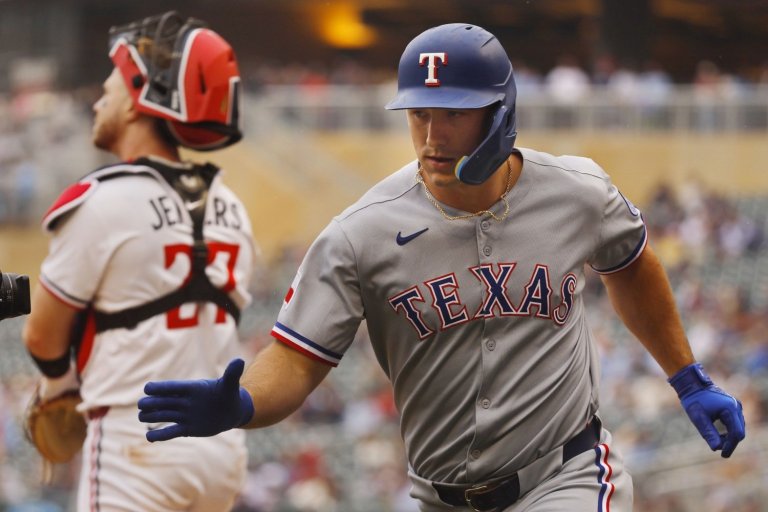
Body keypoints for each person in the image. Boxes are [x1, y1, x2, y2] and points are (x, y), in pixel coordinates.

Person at [138, 23, 746, 511]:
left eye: (454, 113)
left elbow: (632, 265)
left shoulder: (577, 192)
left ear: (500, 114)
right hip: (438, 496)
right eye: (419, 114)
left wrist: (687, 378)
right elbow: (297, 360)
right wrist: (242, 404)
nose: (432, 135)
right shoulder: (360, 232)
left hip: (565, 477)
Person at [22, 11, 256, 512]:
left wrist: (59, 392)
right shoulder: (232, 205)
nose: (100, 98)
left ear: (139, 98)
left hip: (135, 438)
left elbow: (42, 335)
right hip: (220, 449)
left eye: (112, 85)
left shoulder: (102, 198)